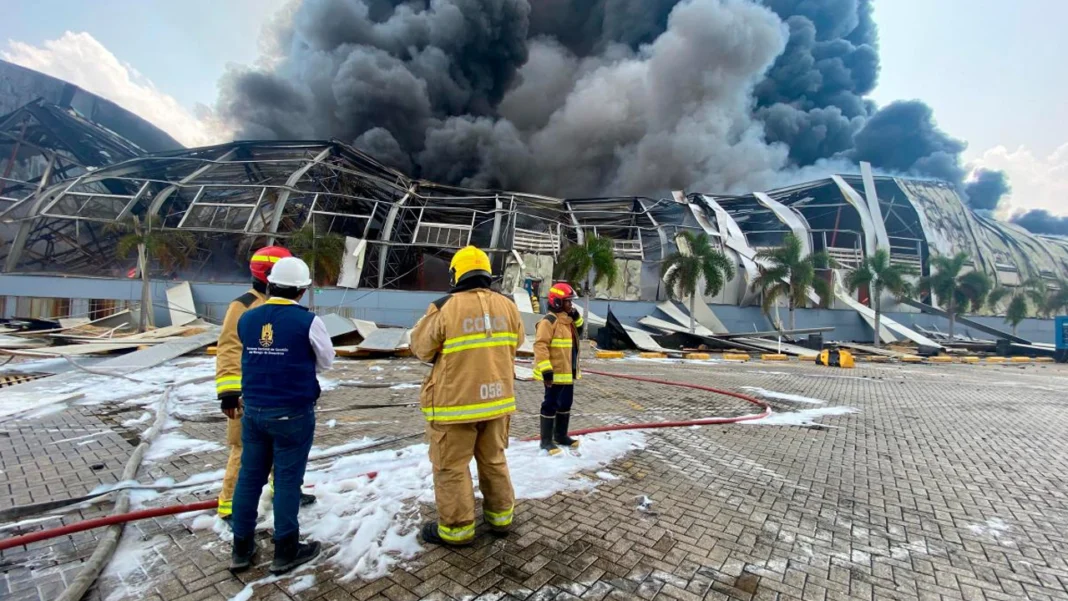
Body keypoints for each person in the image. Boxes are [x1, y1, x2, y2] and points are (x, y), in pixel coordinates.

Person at [410, 246, 524, 546]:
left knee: (451, 467)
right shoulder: (509, 306)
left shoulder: (444, 307)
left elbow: (421, 348)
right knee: (494, 461)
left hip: (455, 406)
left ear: (456, 274)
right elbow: (517, 342)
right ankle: (501, 518)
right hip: (497, 403)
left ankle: (457, 529)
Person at [229, 257, 335, 574]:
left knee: (249, 479)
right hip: (293, 414)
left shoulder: (247, 319)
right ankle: (286, 549)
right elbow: (326, 361)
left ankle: (241, 548)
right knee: (287, 481)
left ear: (270, 284)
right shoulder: (308, 321)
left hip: (254, 411)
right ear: (301, 290)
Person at [216, 246, 313, 519]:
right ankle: (229, 507)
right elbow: (229, 348)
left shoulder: (279, 305)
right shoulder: (244, 306)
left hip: (281, 395)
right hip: (250, 396)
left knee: (283, 450)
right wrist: (229, 392)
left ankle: (283, 490)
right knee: (244, 451)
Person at [532, 282, 584, 455]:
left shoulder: (567, 321)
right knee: (550, 405)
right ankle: (546, 441)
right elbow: (540, 345)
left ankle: (561, 436)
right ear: (557, 302)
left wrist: (576, 315)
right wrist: (546, 370)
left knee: (565, 404)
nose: (571, 305)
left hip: (567, 372)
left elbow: (580, 329)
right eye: (568, 301)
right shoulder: (549, 321)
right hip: (554, 374)